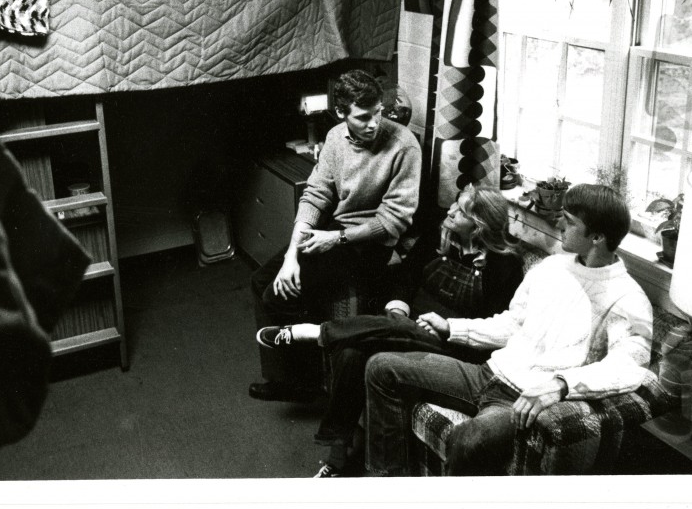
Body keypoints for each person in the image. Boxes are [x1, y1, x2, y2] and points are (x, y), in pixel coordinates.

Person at [363, 183, 654, 476]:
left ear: (598, 237)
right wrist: (451, 327)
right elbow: (512, 323)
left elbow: (630, 367)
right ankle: (388, 481)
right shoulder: (551, 266)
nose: (559, 225)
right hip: (486, 373)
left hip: (516, 400)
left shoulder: (627, 298)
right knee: (381, 367)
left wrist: (561, 385)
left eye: (569, 221)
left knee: (470, 440)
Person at [256, 183, 524, 477]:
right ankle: (337, 453)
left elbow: (494, 326)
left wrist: (448, 328)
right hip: (407, 324)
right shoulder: (440, 235)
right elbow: (407, 277)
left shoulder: (504, 265)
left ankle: (317, 332)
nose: (450, 210)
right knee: (351, 351)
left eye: (460, 211)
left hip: (451, 343)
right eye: (455, 204)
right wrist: (399, 307)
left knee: (373, 337)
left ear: (478, 225)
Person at [249, 69, 422, 403]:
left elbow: (394, 221)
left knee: (284, 296)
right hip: (335, 234)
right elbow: (316, 196)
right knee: (264, 282)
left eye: (378, 114)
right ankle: (289, 379)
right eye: (363, 117)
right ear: (342, 114)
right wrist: (290, 258)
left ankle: (310, 381)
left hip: (373, 244)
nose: (374, 124)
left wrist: (337, 239)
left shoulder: (404, 146)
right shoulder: (334, 138)